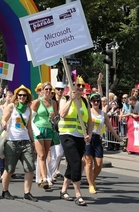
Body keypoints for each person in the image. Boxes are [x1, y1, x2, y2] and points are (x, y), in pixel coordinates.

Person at [58, 76, 93, 206]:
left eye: (82, 86)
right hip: (67, 135)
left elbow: (89, 121)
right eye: (77, 85)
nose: (80, 88)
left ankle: (63, 191)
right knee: (77, 163)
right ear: (73, 86)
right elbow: (62, 114)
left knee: (72, 164)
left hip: (80, 136)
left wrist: (89, 134)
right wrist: (71, 99)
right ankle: (78, 194)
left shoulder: (85, 101)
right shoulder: (65, 98)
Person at [1, 85, 37, 202]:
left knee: (30, 168)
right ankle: (5, 191)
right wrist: (3, 124)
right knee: (10, 169)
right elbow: (3, 119)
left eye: (24, 95)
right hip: (12, 142)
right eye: (20, 95)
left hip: (25, 141)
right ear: (17, 96)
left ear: (27, 97)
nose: (22, 97)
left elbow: (29, 127)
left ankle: (27, 192)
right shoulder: (12, 107)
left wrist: (33, 141)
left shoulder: (28, 109)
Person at [85, 93, 123, 194]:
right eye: (94, 101)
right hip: (88, 138)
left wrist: (119, 139)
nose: (96, 102)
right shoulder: (87, 112)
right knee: (88, 163)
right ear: (90, 102)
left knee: (99, 164)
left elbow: (110, 128)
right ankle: (91, 185)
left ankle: (91, 179)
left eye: (98, 101)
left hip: (97, 138)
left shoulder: (103, 114)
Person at [31, 82, 57, 189]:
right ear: (42, 90)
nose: (48, 91)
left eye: (50, 89)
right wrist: (33, 131)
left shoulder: (53, 103)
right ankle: (45, 178)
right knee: (41, 155)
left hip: (48, 129)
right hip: (38, 129)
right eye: (46, 89)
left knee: (45, 155)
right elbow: (30, 118)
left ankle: (41, 177)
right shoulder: (37, 102)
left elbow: (55, 118)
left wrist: (53, 116)